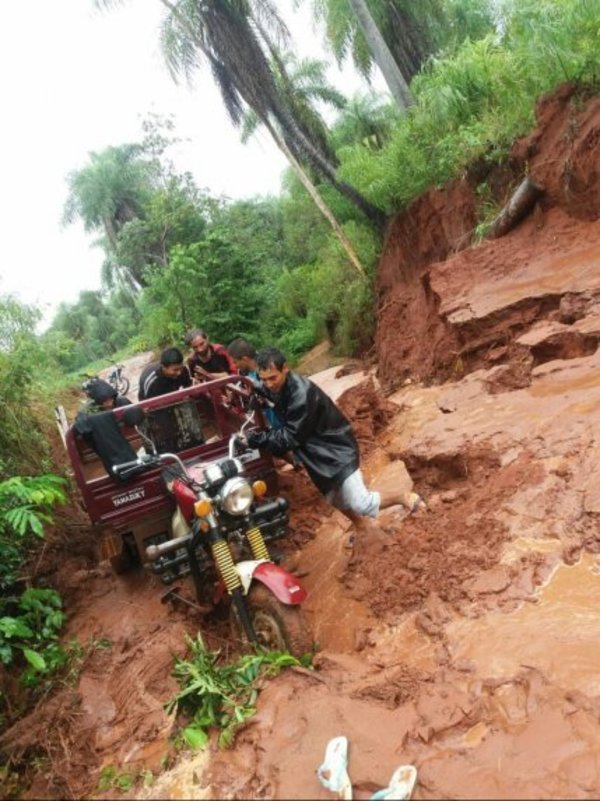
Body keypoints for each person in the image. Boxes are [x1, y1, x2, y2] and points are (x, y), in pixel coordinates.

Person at [240, 347, 425, 523]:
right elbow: (269, 392)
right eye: (264, 379)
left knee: (361, 503)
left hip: (335, 447)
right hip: (315, 452)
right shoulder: (278, 387)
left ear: (286, 368)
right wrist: (258, 391)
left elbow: (289, 437)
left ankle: (403, 497)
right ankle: (362, 527)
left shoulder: (301, 394)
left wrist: (255, 440)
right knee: (334, 499)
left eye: (272, 378)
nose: (269, 384)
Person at [227, 337, 281, 428]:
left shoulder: (268, 370)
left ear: (244, 359)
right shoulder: (247, 374)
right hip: (274, 424)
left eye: (235, 362)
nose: (235, 366)